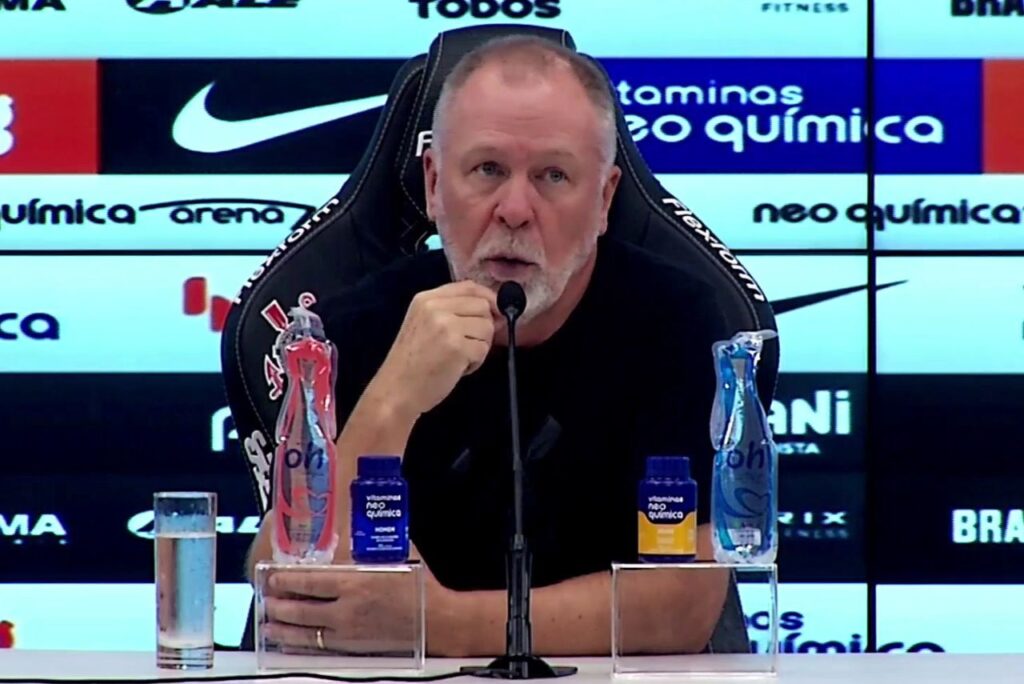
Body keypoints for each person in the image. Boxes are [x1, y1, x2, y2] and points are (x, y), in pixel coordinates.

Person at [247, 35, 731, 657]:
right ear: (433, 183)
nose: (515, 210)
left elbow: (681, 606)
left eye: (553, 176)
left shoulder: (675, 320)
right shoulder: (353, 326)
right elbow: (281, 580)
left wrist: (440, 624)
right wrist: (394, 397)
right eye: (488, 170)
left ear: (604, 200)